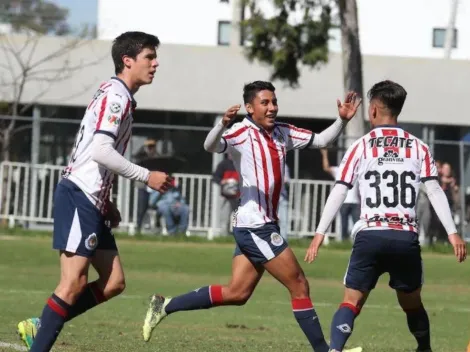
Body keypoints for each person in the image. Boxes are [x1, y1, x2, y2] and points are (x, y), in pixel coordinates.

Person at [142, 81, 363, 352]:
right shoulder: (241, 132)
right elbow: (211, 146)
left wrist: (341, 121)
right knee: (299, 284)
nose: (272, 107)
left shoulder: (283, 131)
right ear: (250, 107)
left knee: (238, 293)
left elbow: (321, 140)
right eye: (265, 103)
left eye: (274, 101)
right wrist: (222, 124)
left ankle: (164, 305)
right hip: (254, 226)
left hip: (261, 224)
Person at [16, 31, 173, 352]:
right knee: (72, 282)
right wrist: (146, 176)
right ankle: (41, 336)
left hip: (93, 197)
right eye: (149, 57)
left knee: (114, 283)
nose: (156, 64)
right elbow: (101, 150)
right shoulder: (116, 97)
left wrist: (109, 200)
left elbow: (93, 151)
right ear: (127, 61)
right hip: (80, 195)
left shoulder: (120, 95)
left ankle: (42, 324)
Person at [305, 80, 467, 352]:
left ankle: (335, 350)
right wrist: (452, 233)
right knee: (411, 302)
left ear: (373, 110)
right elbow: (435, 190)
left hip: (370, 234)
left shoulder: (361, 146)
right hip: (405, 237)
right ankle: (424, 349)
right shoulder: (419, 147)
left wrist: (320, 233)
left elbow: (339, 191)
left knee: (351, 301)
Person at [320, 148, 360, 241]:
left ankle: (356, 240)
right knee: (344, 223)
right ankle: (344, 241)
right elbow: (326, 168)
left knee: (356, 223)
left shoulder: (357, 170)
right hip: (344, 201)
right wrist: (325, 154)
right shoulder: (339, 170)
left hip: (355, 201)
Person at [134, 138, 160, 233]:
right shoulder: (141, 156)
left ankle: (157, 228)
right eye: (149, 147)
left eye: (152, 146)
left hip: (154, 187)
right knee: (142, 208)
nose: (151, 149)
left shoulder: (157, 157)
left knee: (157, 208)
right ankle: (138, 228)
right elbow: (136, 160)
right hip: (143, 186)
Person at [213, 153, 240, 234]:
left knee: (239, 216)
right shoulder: (223, 164)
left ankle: (238, 234)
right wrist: (223, 181)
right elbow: (215, 177)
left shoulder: (240, 164)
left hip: (238, 195)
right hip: (225, 195)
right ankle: (224, 234)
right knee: (225, 216)